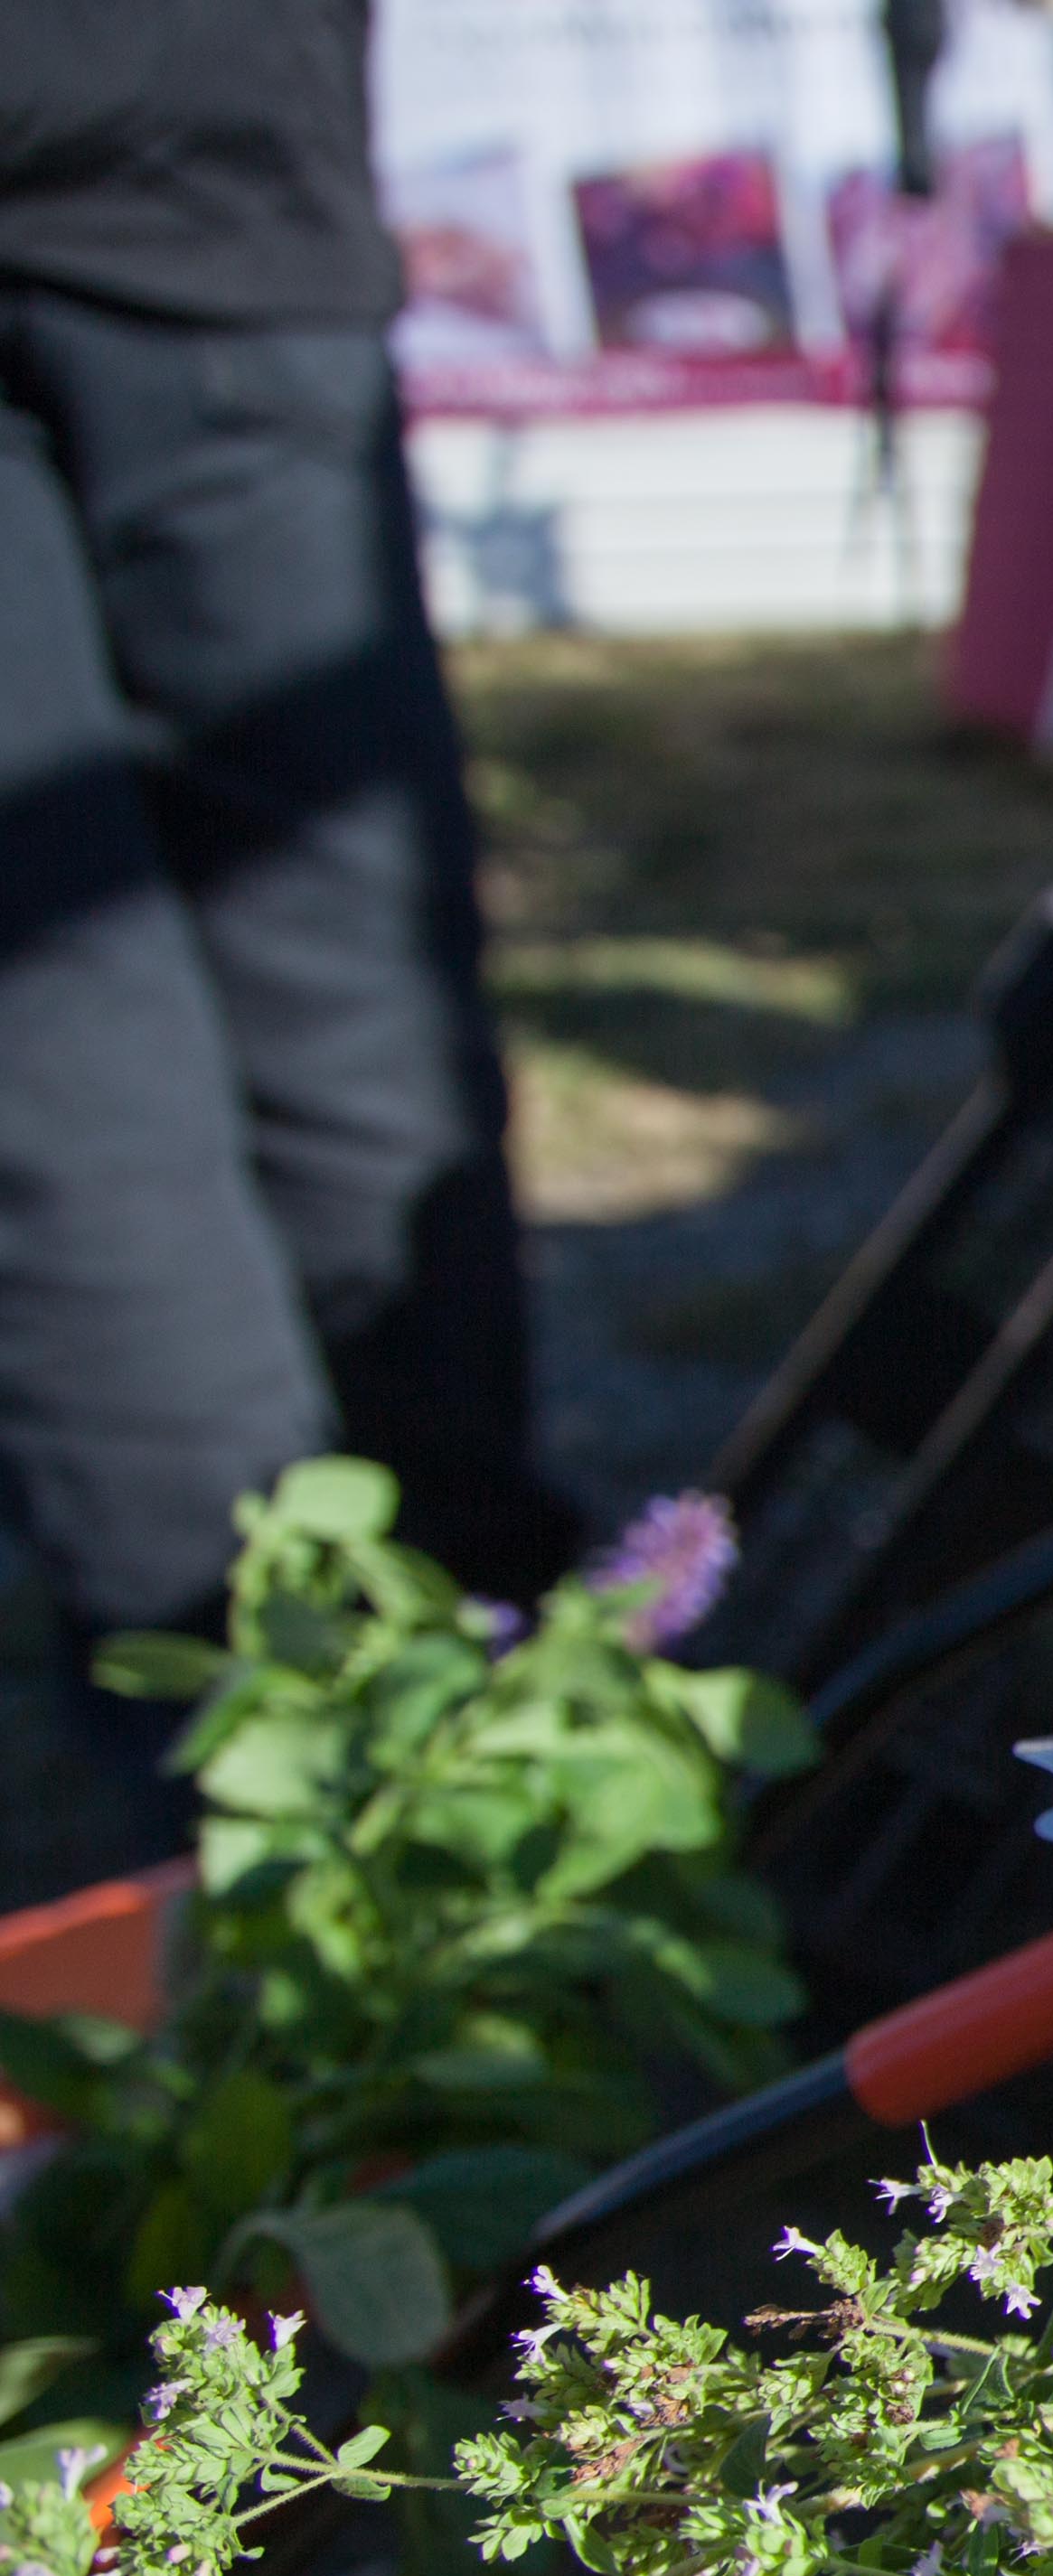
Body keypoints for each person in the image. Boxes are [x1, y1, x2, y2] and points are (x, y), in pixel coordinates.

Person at [0, 6, 572, 1797]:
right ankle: (467, 1742)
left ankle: (293, 1793)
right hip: (208, 136)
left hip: (209, 160)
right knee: (321, 985)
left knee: (59, 1047)